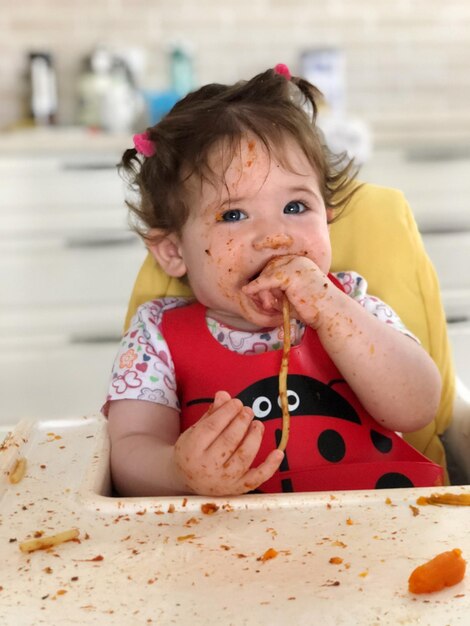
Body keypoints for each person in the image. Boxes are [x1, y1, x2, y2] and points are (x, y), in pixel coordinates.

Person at [105, 64, 443, 497]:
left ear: (327, 218)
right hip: (225, 547)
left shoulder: (351, 303)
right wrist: (177, 471)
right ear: (173, 252)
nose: (274, 236)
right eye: (233, 214)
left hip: (378, 532)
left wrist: (332, 312)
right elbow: (128, 452)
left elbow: (417, 407)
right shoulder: (156, 337)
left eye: (297, 207)